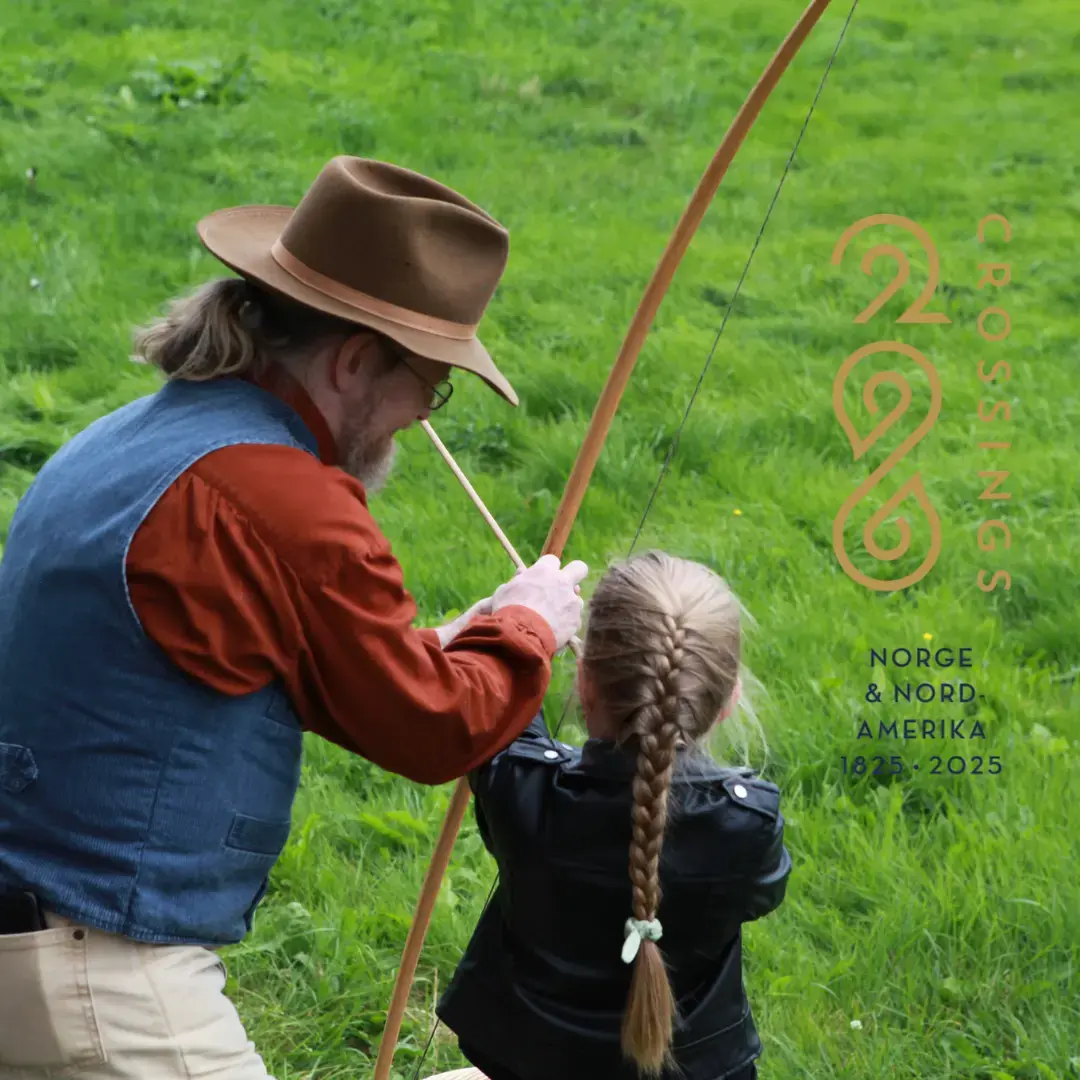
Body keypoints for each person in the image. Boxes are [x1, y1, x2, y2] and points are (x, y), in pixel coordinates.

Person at [0, 156, 587, 1078]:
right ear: (355, 360)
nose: (411, 422)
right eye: (427, 392)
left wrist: (458, 642)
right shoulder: (279, 497)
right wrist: (529, 627)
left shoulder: (127, 440)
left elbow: (290, 667)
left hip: (40, 944)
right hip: (101, 971)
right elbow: (435, 727)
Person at [431, 551, 792, 1080]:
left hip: (529, 1063)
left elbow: (492, 706)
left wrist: (518, 627)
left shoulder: (522, 787)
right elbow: (766, 890)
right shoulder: (746, 823)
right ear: (727, 700)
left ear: (583, 682)